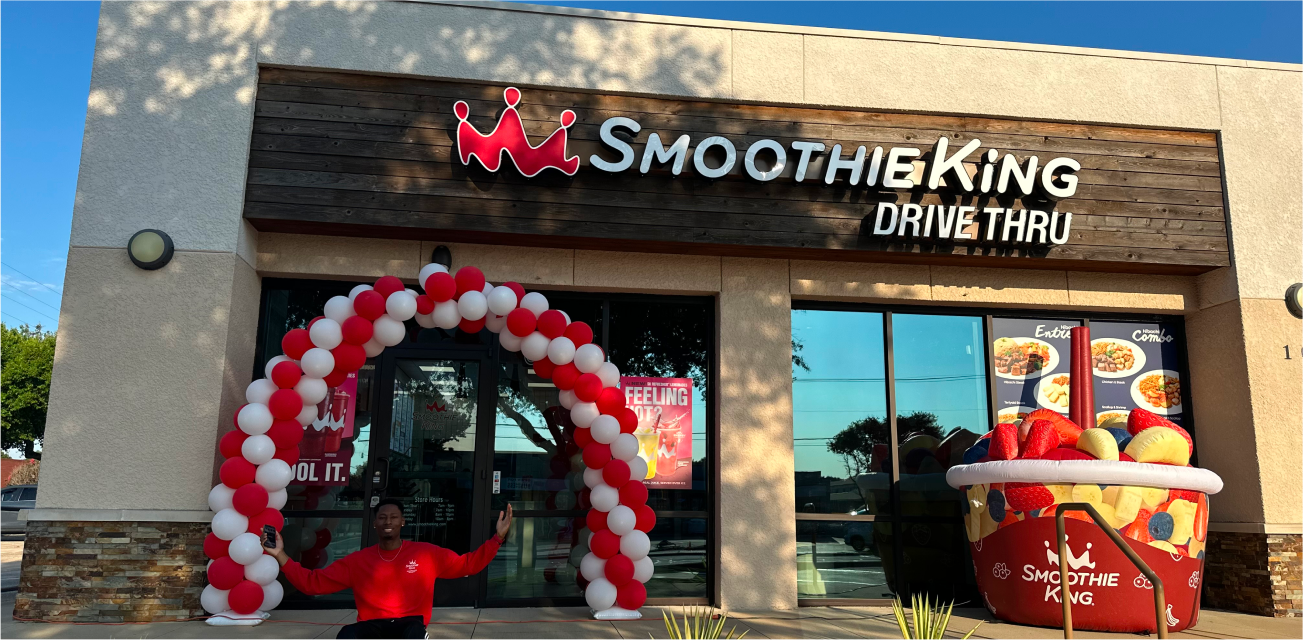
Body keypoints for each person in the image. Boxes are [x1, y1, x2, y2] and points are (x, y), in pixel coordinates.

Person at [264, 500, 512, 640]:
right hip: (372, 626)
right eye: (382, 517)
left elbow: (468, 564)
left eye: (394, 517)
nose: (388, 522)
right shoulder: (358, 561)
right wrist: (280, 554)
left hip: (410, 626)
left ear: (403, 522)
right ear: (374, 524)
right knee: (346, 637)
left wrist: (497, 539)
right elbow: (312, 583)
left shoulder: (426, 553)